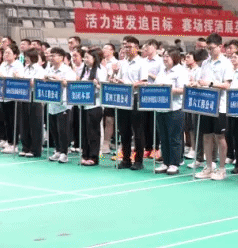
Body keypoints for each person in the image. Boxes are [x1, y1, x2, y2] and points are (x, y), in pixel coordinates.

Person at [195, 33, 233, 180]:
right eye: (208, 48)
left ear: (220, 46)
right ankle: (209, 167)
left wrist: (210, 84)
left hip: (220, 106)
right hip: (206, 105)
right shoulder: (205, 63)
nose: (209, 51)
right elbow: (202, 81)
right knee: (206, 136)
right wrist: (197, 84)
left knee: (220, 137)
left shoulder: (226, 64)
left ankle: (222, 169)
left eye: (211, 48)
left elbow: (227, 85)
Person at [113, 35, 148, 170]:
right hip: (123, 99)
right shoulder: (122, 63)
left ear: (137, 48)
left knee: (138, 131)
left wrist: (128, 85)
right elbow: (118, 79)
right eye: (125, 47)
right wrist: (115, 79)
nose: (126, 49)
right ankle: (126, 159)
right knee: (124, 131)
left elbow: (143, 82)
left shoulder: (142, 63)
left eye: (129, 47)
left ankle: (138, 161)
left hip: (136, 98)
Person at [154, 47, 187, 175]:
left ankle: (174, 164)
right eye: (164, 56)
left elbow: (183, 89)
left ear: (175, 57)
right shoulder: (162, 71)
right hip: (161, 108)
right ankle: (165, 162)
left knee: (175, 138)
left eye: (167, 56)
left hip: (175, 109)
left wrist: (169, 90)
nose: (165, 58)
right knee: (163, 137)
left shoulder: (180, 71)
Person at [44, 47, 77, 163]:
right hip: (52, 103)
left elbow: (70, 84)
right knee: (53, 129)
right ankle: (57, 150)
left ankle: (64, 153)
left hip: (63, 104)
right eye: (50, 55)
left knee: (63, 130)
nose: (51, 58)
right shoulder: (50, 69)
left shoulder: (67, 71)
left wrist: (59, 79)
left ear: (61, 57)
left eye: (54, 55)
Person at [80, 48, 108, 166]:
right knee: (85, 131)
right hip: (84, 104)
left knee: (93, 132)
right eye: (84, 57)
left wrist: (96, 85)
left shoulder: (101, 70)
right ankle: (85, 154)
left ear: (95, 58)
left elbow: (104, 88)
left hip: (95, 105)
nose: (85, 59)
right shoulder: (85, 70)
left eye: (87, 57)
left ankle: (94, 157)